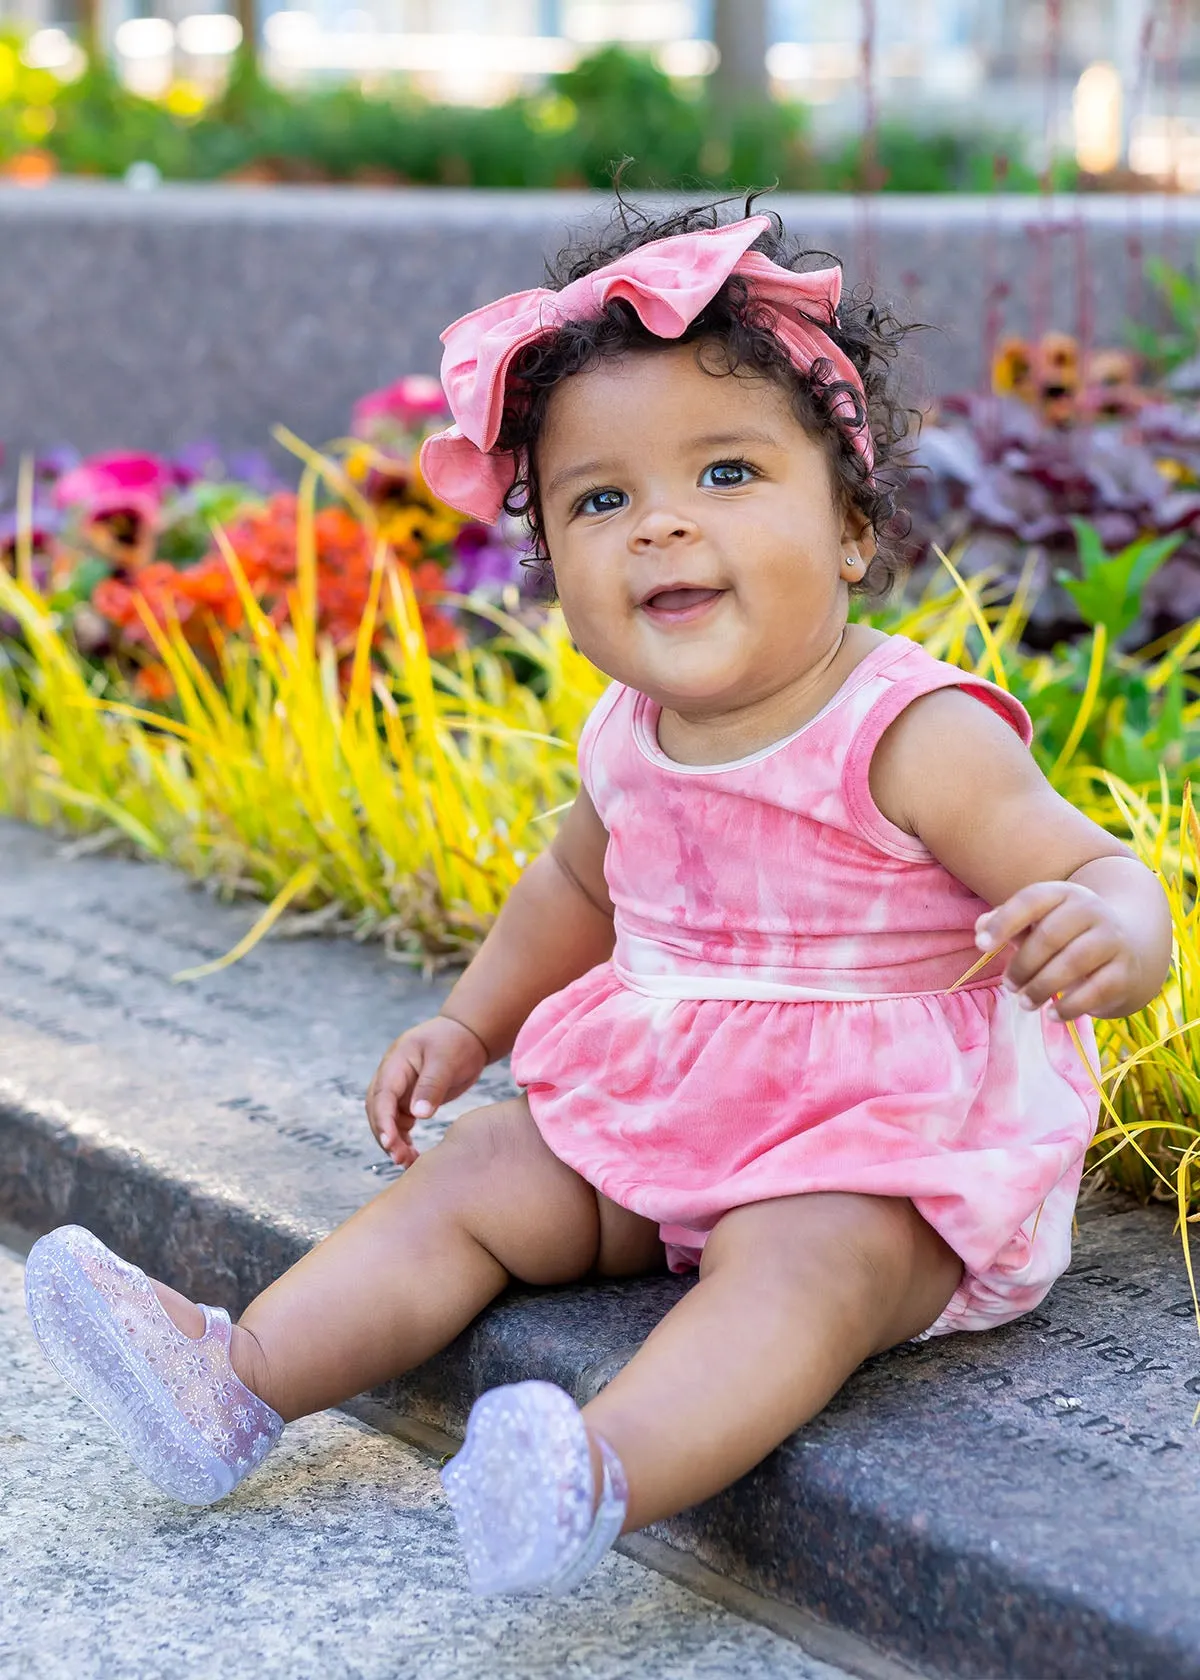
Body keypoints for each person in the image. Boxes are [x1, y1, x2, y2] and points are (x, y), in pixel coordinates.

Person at [25, 203, 1173, 1598]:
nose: (662, 524)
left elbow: (1106, 869)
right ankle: (236, 1379)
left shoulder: (911, 731)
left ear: (857, 528)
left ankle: (595, 1470)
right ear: (553, 564)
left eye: (729, 470)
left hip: (883, 1151)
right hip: (675, 1098)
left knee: (800, 1271)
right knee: (482, 1174)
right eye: (601, 500)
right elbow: (580, 879)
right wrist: (470, 1024)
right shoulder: (632, 731)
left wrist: (1111, 930)